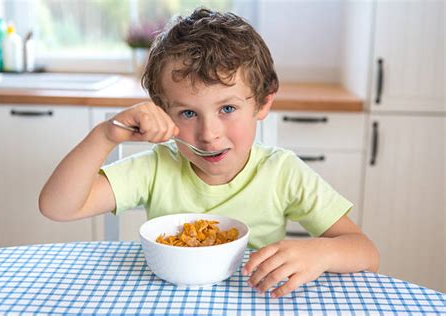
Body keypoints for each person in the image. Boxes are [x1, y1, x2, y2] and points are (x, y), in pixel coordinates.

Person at [39, 7, 379, 298]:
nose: (209, 134)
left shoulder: (283, 173)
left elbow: (366, 252)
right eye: (188, 113)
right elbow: (58, 207)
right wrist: (105, 135)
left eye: (227, 109)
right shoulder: (156, 169)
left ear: (263, 102)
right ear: (163, 114)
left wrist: (321, 251)